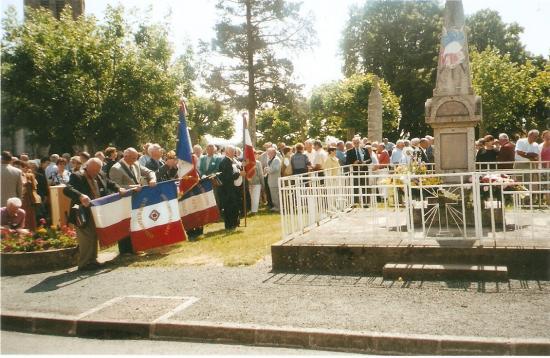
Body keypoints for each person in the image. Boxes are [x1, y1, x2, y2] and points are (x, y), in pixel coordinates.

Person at [64, 158, 126, 271]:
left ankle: (92, 260)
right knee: (86, 238)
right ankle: (84, 264)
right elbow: (67, 189)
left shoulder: (100, 174)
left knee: (93, 236)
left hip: (96, 212)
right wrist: (80, 196)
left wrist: (118, 188)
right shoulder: (77, 176)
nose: (95, 173)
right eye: (92, 171)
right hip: (82, 213)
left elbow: (109, 183)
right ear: (86, 167)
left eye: (97, 170)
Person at [109, 147, 157, 255]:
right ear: (125, 156)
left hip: (136, 200)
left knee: (136, 223)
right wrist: (131, 187)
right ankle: (125, 251)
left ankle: (136, 246)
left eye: (136, 158)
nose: (135, 160)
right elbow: (115, 187)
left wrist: (152, 178)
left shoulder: (136, 164)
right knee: (125, 224)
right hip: (124, 201)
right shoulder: (116, 168)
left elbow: (149, 172)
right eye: (133, 158)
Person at [218, 145, 245, 230]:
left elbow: (237, 169)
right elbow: (227, 176)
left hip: (235, 188)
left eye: (234, 151)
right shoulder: (225, 162)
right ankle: (230, 225)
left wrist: (242, 167)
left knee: (235, 206)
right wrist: (239, 174)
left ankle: (235, 222)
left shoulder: (234, 160)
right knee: (229, 207)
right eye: (232, 151)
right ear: (227, 152)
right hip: (228, 190)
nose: (234, 153)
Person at [263, 147, 281, 212]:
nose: (268, 154)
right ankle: (276, 206)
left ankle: (278, 207)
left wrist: (267, 170)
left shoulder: (276, 159)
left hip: (275, 180)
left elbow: (276, 169)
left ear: (273, 153)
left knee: (275, 195)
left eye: (269, 153)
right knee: (273, 195)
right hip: (271, 180)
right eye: (268, 153)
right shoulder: (271, 159)